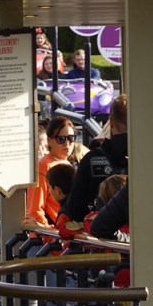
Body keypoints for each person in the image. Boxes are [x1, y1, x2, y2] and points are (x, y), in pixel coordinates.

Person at [57, 93, 128, 229]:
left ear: (111, 123)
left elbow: (74, 209)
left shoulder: (91, 159)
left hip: (103, 241)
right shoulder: (150, 159)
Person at [23, 117, 80, 230]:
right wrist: (49, 233)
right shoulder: (43, 167)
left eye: (70, 138)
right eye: (60, 139)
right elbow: (35, 210)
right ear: (49, 141)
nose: (67, 143)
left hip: (63, 232)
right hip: (50, 238)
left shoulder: (67, 164)